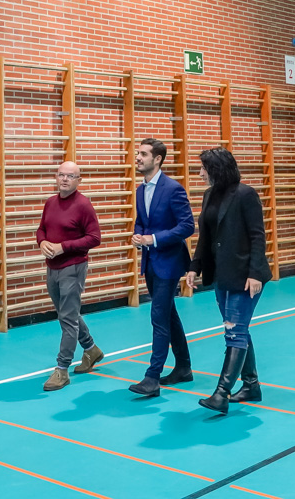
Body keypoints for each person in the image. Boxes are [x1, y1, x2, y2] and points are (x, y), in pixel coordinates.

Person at [184, 147, 272, 414]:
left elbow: (257, 236)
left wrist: (254, 273)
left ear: (216, 169)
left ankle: (221, 393)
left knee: (235, 331)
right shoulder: (209, 195)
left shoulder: (245, 194)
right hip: (221, 274)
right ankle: (251, 385)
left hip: (244, 275)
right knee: (238, 329)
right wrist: (194, 267)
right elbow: (206, 236)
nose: (200, 173)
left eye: (203, 168)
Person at [128, 138, 195, 397]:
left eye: (143, 154)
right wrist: (138, 235)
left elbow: (187, 226)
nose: (138, 157)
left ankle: (152, 377)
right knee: (168, 314)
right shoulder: (139, 190)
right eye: (138, 153)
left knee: (158, 316)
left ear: (157, 159)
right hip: (150, 261)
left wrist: (153, 239)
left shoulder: (173, 189)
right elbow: (142, 221)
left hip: (169, 262)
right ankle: (184, 368)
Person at [36, 161, 103, 391]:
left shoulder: (83, 205)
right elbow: (42, 229)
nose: (65, 179)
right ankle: (91, 349)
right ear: (56, 177)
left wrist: (63, 247)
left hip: (73, 267)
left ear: (78, 180)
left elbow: (94, 238)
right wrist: (42, 242)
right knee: (67, 314)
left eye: (70, 176)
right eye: (61, 175)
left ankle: (62, 369)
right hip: (52, 267)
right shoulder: (50, 202)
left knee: (67, 318)